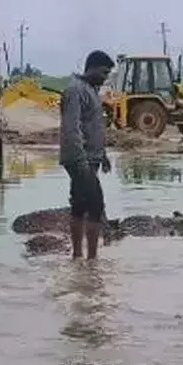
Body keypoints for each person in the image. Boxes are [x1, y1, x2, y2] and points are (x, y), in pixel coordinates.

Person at [59, 50, 116, 260]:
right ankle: (92, 260)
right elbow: (71, 129)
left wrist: (103, 155)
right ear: (91, 68)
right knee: (96, 205)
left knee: (80, 204)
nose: (105, 77)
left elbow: (93, 127)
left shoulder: (91, 90)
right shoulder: (75, 91)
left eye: (108, 73)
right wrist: (81, 161)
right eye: (103, 72)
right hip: (78, 158)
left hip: (90, 158)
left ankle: (77, 257)